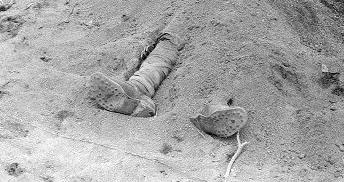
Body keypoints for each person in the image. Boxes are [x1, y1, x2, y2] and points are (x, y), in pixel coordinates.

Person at [88, 32, 248, 138]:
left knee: (230, 71)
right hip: (217, 39)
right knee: (166, 50)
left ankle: (214, 112)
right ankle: (134, 92)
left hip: (229, 44)